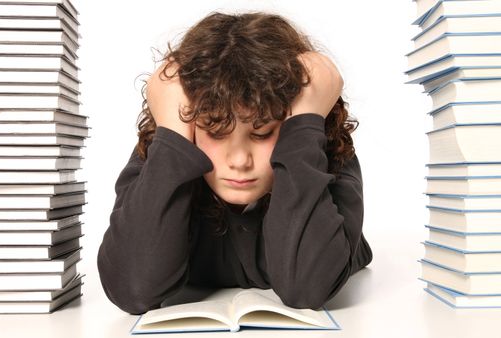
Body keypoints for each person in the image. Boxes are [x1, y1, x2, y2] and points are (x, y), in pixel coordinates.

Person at [97, 11, 373, 315]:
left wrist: (306, 125)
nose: (239, 160)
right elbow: (132, 290)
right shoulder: (164, 156)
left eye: (262, 132)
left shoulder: (317, 154)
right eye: (216, 132)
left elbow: (306, 288)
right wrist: (172, 136)